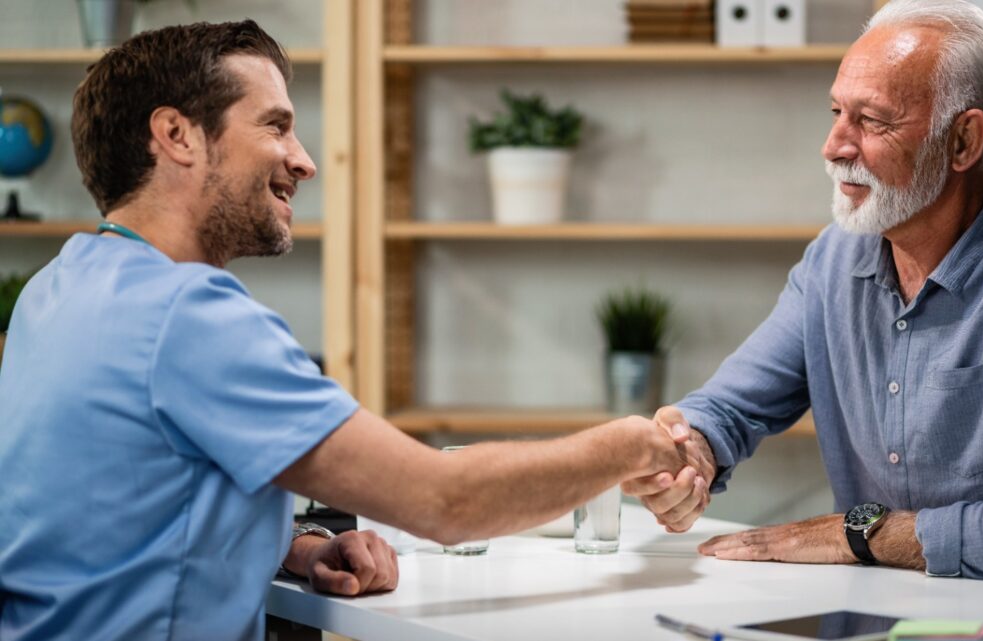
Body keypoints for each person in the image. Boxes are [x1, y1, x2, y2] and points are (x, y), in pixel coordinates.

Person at [0, 21, 693, 641]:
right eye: (275, 126)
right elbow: (446, 501)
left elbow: (116, 516)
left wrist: (292, 545)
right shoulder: (189, 312)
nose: (302, 159)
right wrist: (627, 444)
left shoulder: (58, 287)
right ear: (177, 135)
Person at [624, 0, 983, 588]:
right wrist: (692, 453)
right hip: (887, 610)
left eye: (872, 121)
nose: (834, 145)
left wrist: (854, 533)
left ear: (964, 141)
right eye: (837, 111)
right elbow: (730, 407)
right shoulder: (832, 260)